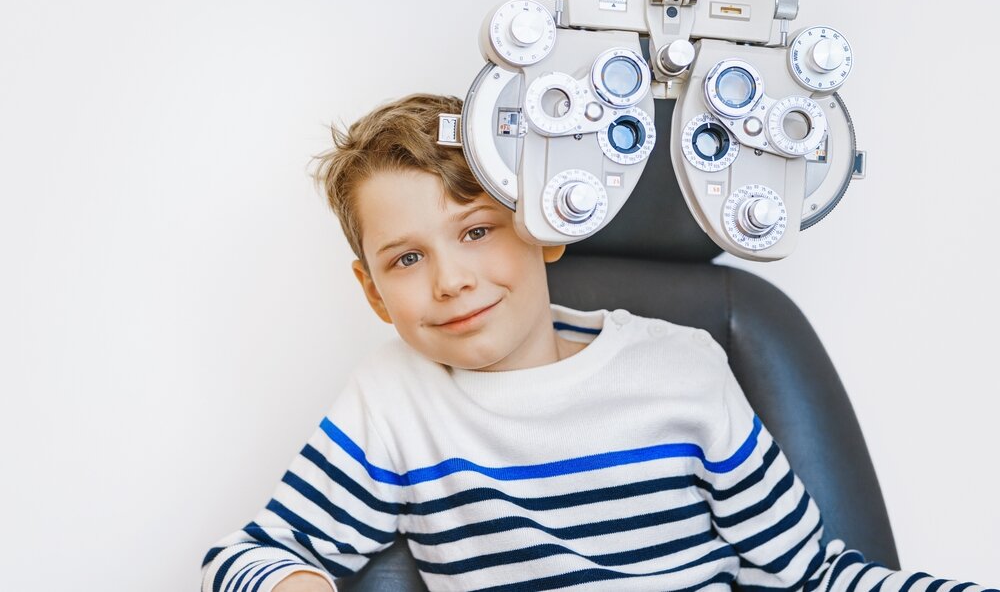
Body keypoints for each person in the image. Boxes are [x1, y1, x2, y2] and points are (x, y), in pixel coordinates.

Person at [201, 94, 994, 592]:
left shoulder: (683, 366)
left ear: (549, 226)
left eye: (477, 230)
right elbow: (247, 554)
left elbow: (813, 572)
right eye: (406, 259)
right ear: (373, 290)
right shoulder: (393, 400)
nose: (449, 280)